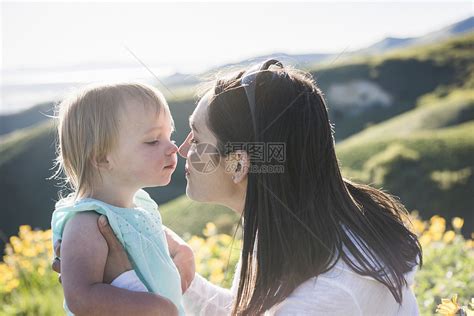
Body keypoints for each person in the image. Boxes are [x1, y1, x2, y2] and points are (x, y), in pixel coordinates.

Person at [54, 60, 422, 315]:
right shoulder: (299, 227)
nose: (181, 151)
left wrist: (133, 288)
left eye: (195, 138)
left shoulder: (327, 293)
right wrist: (179, 276)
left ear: (238, 164)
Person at [50, 83, 184, 315]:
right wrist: (158, 308)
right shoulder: (87, 223)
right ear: (102, 158)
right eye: (153, 140)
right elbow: (81, 298)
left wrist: (181, 249)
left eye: (169, 135)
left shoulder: (139, 204)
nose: (173, 147)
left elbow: (146, 234)